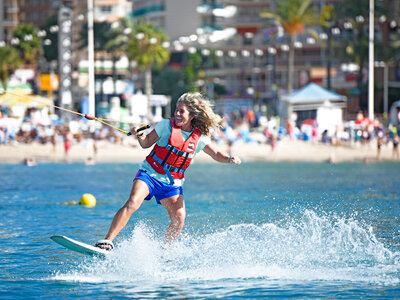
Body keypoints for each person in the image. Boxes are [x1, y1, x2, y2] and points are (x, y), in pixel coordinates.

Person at [95, 93, 241, 250]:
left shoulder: (199, 137)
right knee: (132, 202)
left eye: (181, 111)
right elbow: (145, 144)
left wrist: (229, 158)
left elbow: (216, 154)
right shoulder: (166, 126)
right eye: (176, 110)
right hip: (149, 174)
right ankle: (107, 241)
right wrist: (139, 135)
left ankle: (166, 253)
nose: (177, 114)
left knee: (179, 216)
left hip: (172, 182)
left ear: (192, 115)